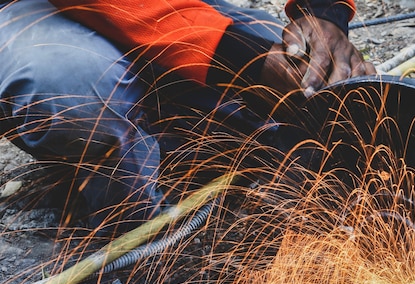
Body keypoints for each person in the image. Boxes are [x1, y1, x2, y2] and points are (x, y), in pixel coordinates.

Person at [0, 0, 375, 235]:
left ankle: (174, 136)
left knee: (295, 78)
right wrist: (244, 58)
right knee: (77, 91)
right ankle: (136, 223)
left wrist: (324, 14)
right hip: (32, 12)